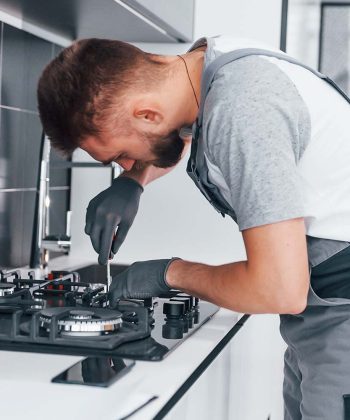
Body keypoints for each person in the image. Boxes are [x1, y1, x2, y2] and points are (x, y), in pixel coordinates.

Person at [37, 36, 350, 419]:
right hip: (322, 316)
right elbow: (178, 128)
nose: (123, 164)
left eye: (120, 155)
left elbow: (279, 289)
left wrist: (168, 274)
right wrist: (134, 181)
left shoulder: (242, 107)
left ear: (148, 115)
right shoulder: (204, 66)